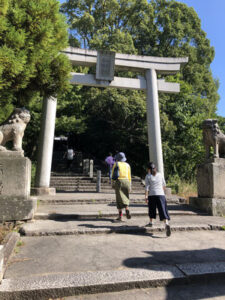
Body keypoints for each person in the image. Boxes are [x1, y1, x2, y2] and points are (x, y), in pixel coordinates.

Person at [145, 162, 171, 237]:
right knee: (162, 210)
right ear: (155, 168)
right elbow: (164, 185)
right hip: (161, 195)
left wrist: (146, 197)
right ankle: (166, 223)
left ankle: (151, 222)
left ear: (149, 169)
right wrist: (162, 193)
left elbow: (147, 188)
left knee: (152, 209)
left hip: (152, 195)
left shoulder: (148, 176)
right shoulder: (160, 175)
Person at [112, 152, 131, 222]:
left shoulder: (116, 164)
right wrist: (130, 186)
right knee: (126, 197)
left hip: (119, 181)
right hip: (127, 181)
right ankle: (127, 208)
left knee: (118, 199)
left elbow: (113, 175)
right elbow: (129, 176)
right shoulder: (128, 165)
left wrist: (112, 183)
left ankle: (120, 216)